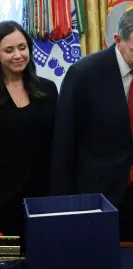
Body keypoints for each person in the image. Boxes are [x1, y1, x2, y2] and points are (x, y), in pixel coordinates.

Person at [49, 8, 133, 241]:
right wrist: (61, 206)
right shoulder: (83, 74)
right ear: (118, 41)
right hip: (95, 196)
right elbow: (64, 144)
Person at [0, 21, 58, 235]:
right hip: (4, 204)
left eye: (22, 48)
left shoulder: (48, 89)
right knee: (9, 260)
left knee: (44, 256)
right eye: (9, 50)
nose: (18, 55)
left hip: (43, 199)